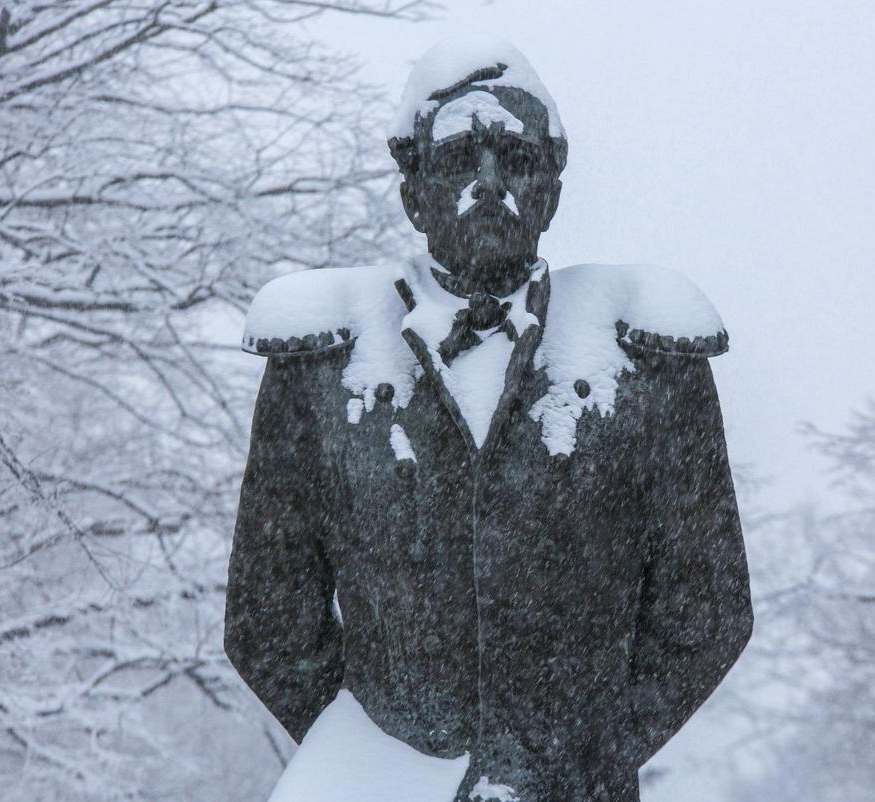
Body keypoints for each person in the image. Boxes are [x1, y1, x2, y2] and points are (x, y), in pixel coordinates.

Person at [225, 36, 752, 802]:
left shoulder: (647, 368)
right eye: (460, 158)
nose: (489, 183)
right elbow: (267, 619)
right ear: (415, 193)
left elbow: (707, 613)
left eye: (517, 159)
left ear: (552, 195)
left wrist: (578, 756)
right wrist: (389, 763)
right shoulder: (320, 369)